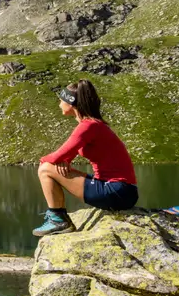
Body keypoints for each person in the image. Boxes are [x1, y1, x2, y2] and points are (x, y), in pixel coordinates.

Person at [33, 80, 138, 236]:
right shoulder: (92, 125)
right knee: (50, 167)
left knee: (45, 169)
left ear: (71, 103)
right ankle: (58, 218)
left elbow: (57, 155)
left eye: (61, 100)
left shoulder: (87, 126)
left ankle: (58, 220)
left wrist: (46, 160)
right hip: (121, 191)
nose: (59, 103)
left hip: (116, 191)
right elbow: (68, 154)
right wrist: (64, 161)